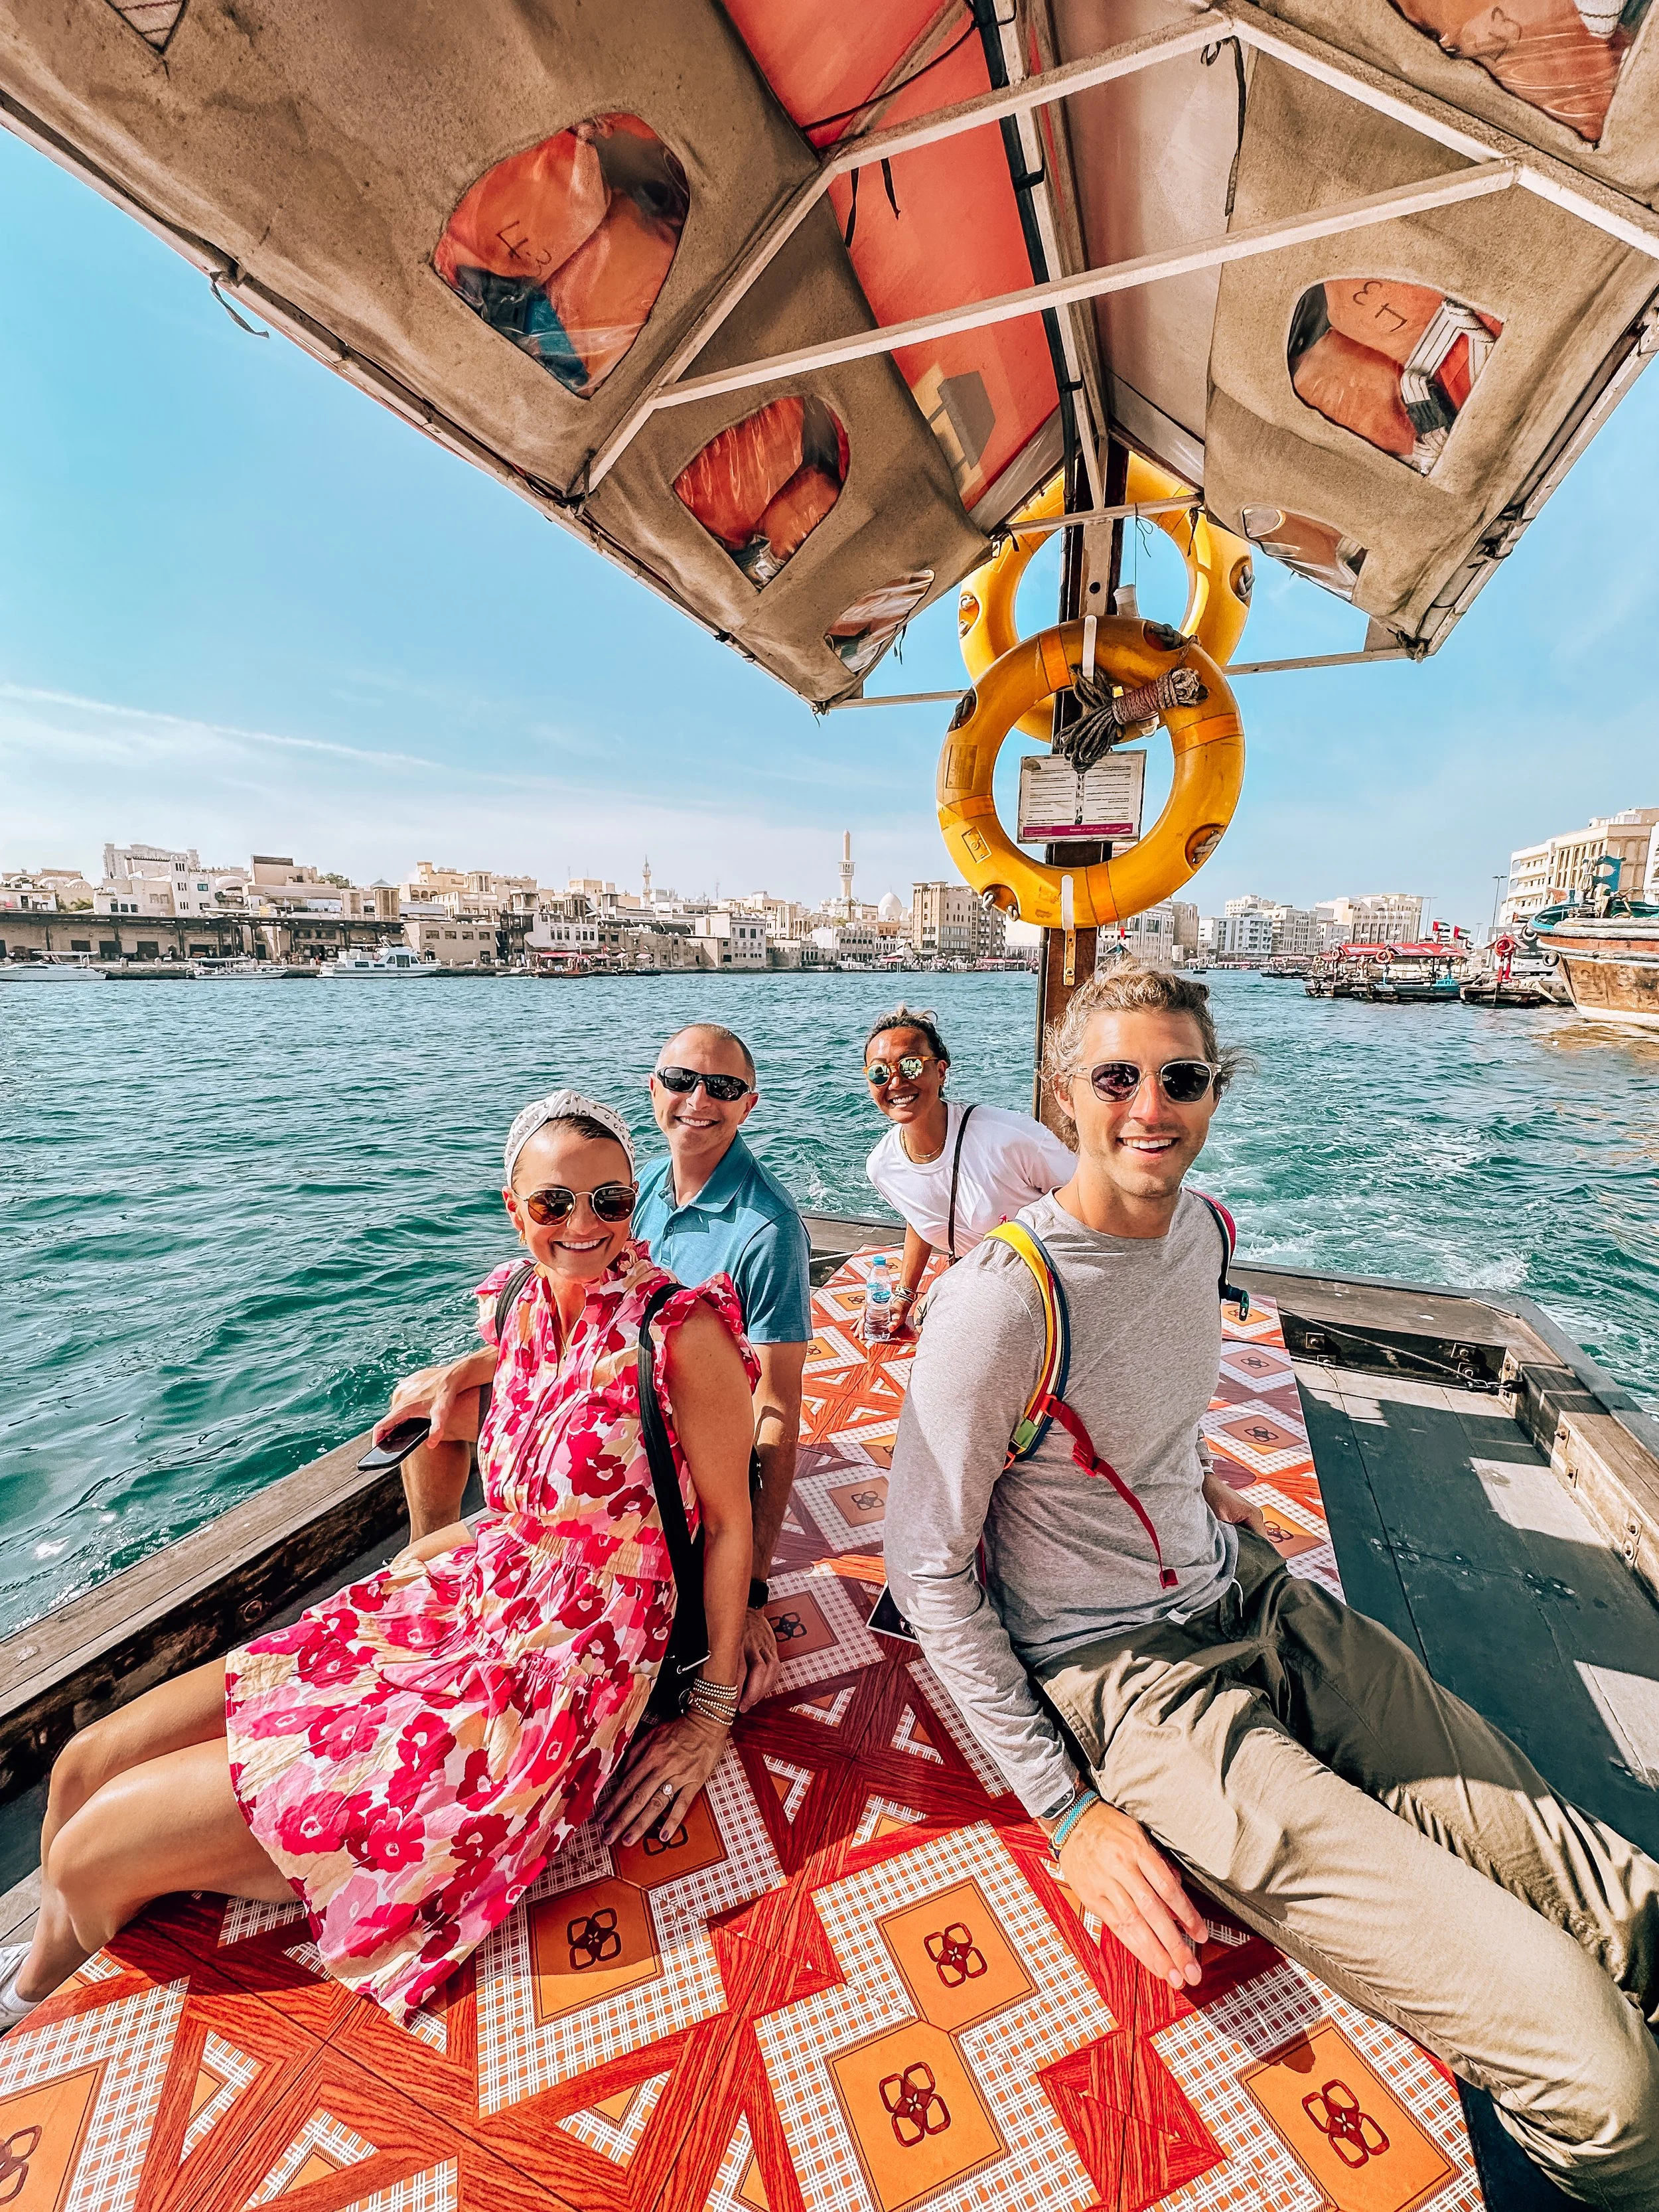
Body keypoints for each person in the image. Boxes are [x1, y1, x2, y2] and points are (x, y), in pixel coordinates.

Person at [885, 964, 1659, 2203]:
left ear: (1211, 1094)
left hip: (1254, 1596)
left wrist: (1196, 1484)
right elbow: (923, 1567)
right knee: (1605, 2075)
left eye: (1180, 1077)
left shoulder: (1205, 1230)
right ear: (1065, 1096)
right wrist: (1069, 1813)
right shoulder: (1000, 1300)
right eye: (1116, 1076)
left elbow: (1151, 1406)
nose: (1150, 1105)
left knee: (1626, 1901)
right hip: (1132, 1685)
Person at [0, 1091, 756, 2032]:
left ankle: (33, 1995)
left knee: (86, 1852)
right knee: (81, 1765)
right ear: (513, 1208)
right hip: (473, 1594)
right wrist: (458, 1375)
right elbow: (531, 1361)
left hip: (557, 1669)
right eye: (554, 1204)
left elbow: (729, 1527)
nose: (585, 1226)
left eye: (610, 1201)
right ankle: (36, 1976)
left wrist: (711, 1715)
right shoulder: (520, 1300)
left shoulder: (682, 1334)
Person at [632, 1023, 812, 1710]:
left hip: (707, 1454)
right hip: (633, 1414)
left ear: (747, 1105)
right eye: (680, 1081)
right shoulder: (640, 1187)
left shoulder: (767, 1229)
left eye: (722, 1087)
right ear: (654, 1089)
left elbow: (777, 1408)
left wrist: (754, 1590)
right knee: (434, 1410)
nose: (697, 1098)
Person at [862, 1005, 1074, 1327]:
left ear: (941, 1071)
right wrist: (905, 1294)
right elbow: (921, 1215)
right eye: (880, 1072)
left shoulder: (1010, 1138)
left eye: (911, 1065)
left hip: (1052, 1285)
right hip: (978, 1285)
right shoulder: (882, 1166)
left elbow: (1090, 1197)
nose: (896, 1081)